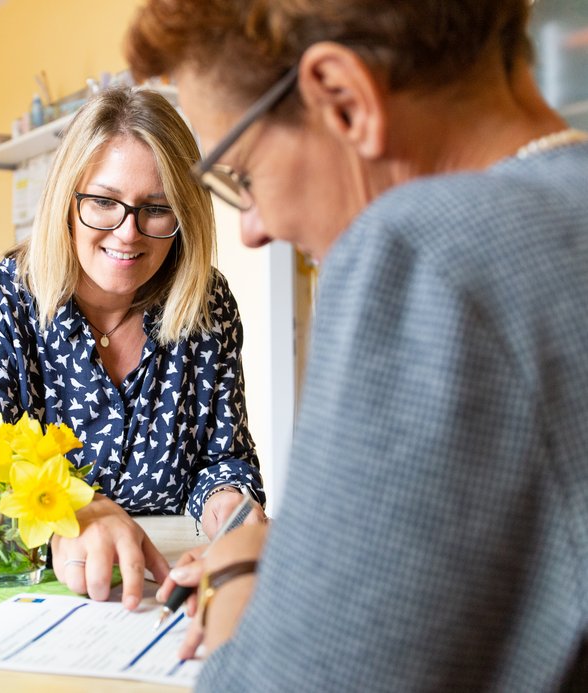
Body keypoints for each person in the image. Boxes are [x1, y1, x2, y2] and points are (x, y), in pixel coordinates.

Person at [126, 0, 588, 689]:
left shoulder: (424, 252)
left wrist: (239, 573)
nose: (251, 228)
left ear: (344, 99)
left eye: (242, 176)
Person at [0, 85, 266, 610]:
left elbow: (224, 458)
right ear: (67, 199)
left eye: (157, 209)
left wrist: (227, 500)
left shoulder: (206, 304)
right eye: (104, 202)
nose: (128, 233)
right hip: (0, 583)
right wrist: (78, 510)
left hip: (150, 591)